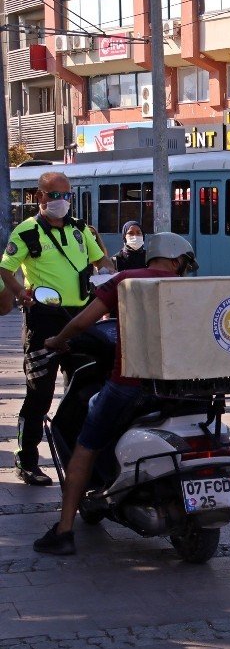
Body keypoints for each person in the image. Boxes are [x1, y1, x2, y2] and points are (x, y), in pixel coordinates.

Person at [33, 233, 199, 555]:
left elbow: (83, 321)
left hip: (130, 387)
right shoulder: (190, 290)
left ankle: (64, 530)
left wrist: (57, 340)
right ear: (177, 261)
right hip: (181, 390)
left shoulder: (125, 280)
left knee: (86, 445)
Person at [0, 172, 114, 486]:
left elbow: (102, 261)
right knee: (40, 395)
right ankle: (27, 459)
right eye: (54, 195)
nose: (61, 201)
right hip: (44, 322)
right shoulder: (27, 232)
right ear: (40, 197)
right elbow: (5, 269)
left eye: (66, 195)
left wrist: (108, 272)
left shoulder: (80, 230)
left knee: (87, 392)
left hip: (81, 319)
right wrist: (22, 293)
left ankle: (81, 458)